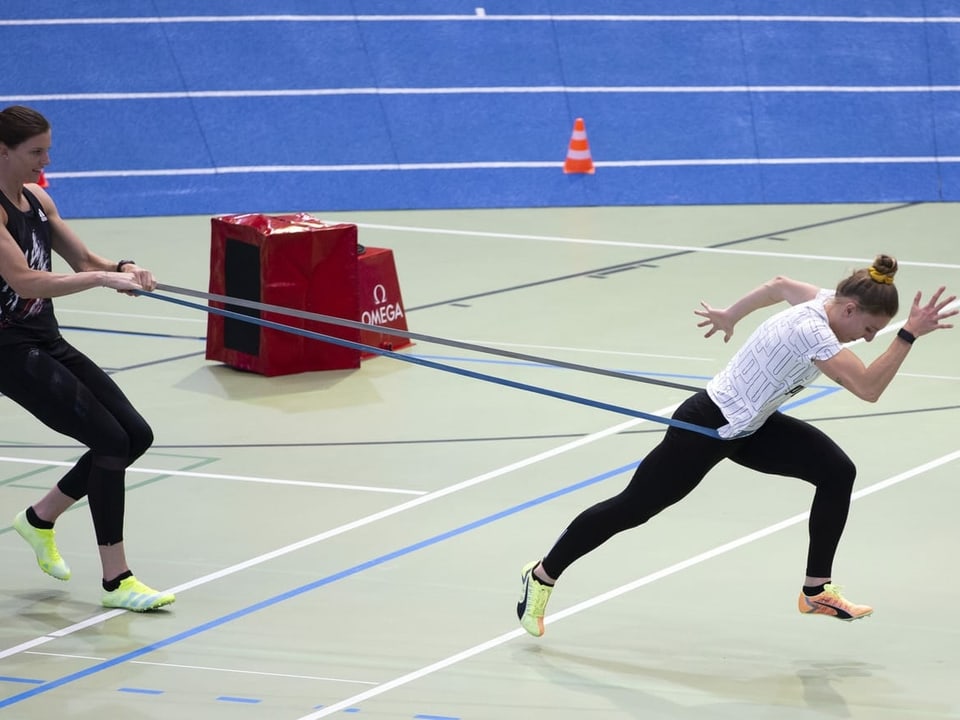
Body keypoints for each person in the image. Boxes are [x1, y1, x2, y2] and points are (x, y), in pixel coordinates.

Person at [517, 255, 955, 636]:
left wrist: (732, 314)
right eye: (869, 329)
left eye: (879, 332)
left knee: (837, 472)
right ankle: (541, 575)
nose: (868, 337)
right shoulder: (814, 333)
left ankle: (816, 590)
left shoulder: (823, 298)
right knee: (633, 507)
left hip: (753, 425)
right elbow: (867, 388)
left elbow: (780, 284)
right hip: (707, 426)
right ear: (850, 308)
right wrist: (908, 336)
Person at [1, 105, 174, 612]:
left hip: (43, 337)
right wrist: (102, 280)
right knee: (108, 439)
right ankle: (116, 579)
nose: (45, 160)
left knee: (134, 435)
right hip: (9, 348)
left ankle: (38, 519)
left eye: (47, 149)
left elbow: (83, 261)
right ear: (3, 151)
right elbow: (25, 281)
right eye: (35, 152)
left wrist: (123, 268)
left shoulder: (36, 199)